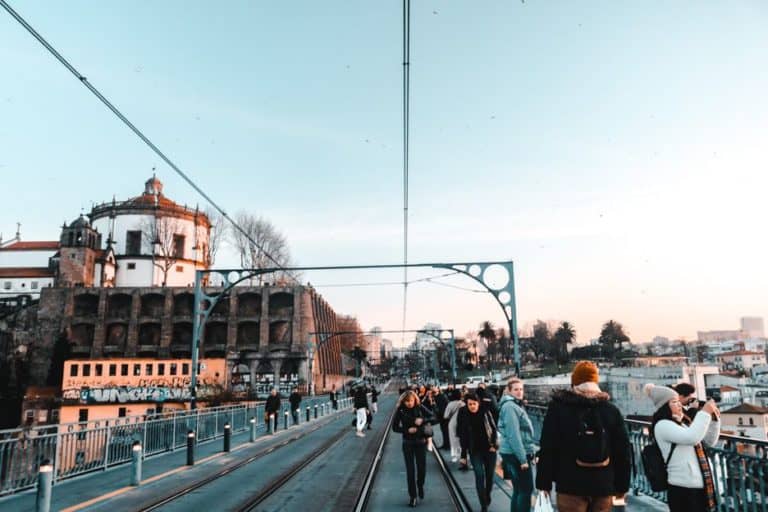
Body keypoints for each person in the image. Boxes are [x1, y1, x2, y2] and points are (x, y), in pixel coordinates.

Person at [536, 361, 631, 512]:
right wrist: (622, 486)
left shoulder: (558, 409)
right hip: (603, 485)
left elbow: (548, 447)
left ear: (574, 383)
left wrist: (544, 484)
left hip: (570, 484)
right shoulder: (611, 410)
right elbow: (623, 451)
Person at [645, 384, 720, 512]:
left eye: (678, 401)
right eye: (674, 402)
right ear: (664, 406)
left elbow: (708, 442)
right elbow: (692, 437)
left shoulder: (682, 423)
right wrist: (704, 413)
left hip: (699, 486)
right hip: (683, 489)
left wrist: (713, 420)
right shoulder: (662, 425)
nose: (680, 405)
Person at [392, 390, 436, 507]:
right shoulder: (400, 411)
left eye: (411, 401)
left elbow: (434, 417)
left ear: (414, 400)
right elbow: (394, 427)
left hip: (421, 442)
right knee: (410, 471)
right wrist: (407, 430)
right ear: (403, 402)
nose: (409, 403)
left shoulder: (420, 407)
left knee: (422, 469)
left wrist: (423, 420)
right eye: (406, 401)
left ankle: (420, 484)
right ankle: (413, 496)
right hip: (407, 443)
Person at [498, 378, 536, 512]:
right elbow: (514, 435)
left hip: (511, 452)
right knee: (526, 490)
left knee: (518, 489)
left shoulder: (513, 405)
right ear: (509, 391)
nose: (520, 392)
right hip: (516, 454)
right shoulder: (510, 407)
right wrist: (523, 459)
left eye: (521, 389)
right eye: (516, 389)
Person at [457, 392, 498, 512]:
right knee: (479, 475)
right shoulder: (464, 415)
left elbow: (494, 429)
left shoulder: (485, 412)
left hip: (490, 450)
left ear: (478, 403)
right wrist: (463, 455)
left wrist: (494, 445)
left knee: (490, 476)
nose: (472, 406)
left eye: (474, 404)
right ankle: (483, 504)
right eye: (469, 404)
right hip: (475, 451)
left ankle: (487, 494)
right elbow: (463, 436)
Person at [443, 389, 465, 463]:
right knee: (461, 440)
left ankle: (455, 456)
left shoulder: (450, 404)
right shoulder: (463, 403)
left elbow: (445, 416)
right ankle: (463, 455)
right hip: (462, 423)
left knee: (453, 440)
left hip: (452, 423)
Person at [434, 386, 450, 450]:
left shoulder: (442, 396)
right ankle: (445, 444)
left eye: (434, 387)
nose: (433, 388)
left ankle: (448, 445)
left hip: (445, 416)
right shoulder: (435, 397)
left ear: (438, 389)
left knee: (446, 431)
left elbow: (446, 405)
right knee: (443, 431)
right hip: (440, 416)